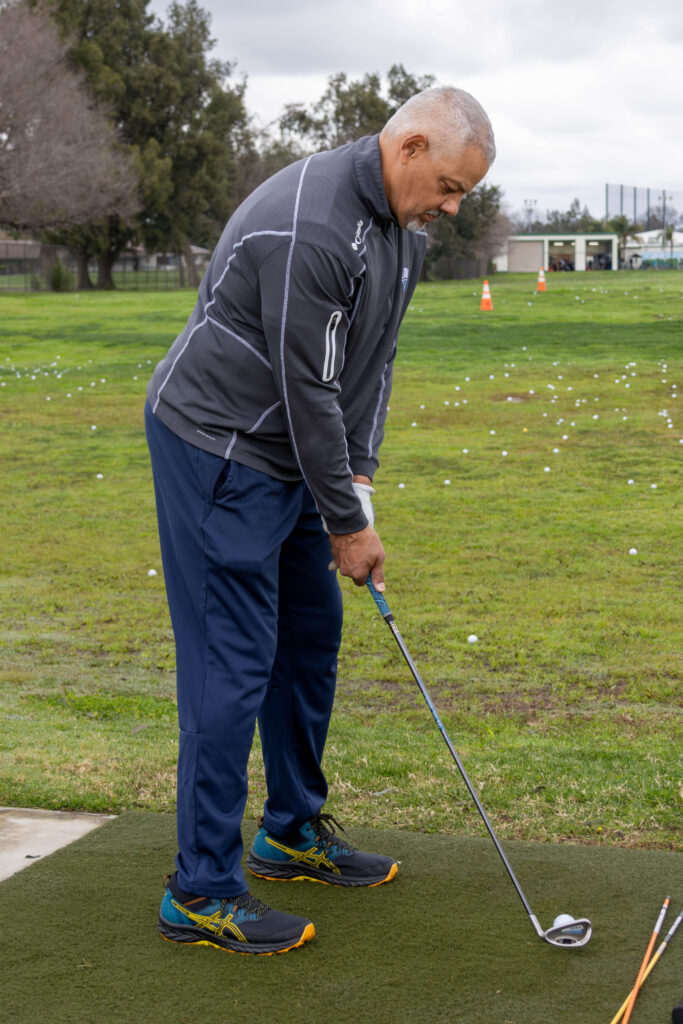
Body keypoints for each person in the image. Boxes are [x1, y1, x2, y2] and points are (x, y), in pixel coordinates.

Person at [145, 86, 495, 956]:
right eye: (448, 186)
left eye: (463, 196)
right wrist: (346, 524)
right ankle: (200, 888)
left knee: (308, 634)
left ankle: (289, 832)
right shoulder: (311, 225)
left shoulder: (400, 232)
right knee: (232, 660)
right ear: (408, 148)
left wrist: (360, 483)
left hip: (293, 450)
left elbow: (368, 365)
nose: (450, 208)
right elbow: (306, 389)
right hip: (219, 445)